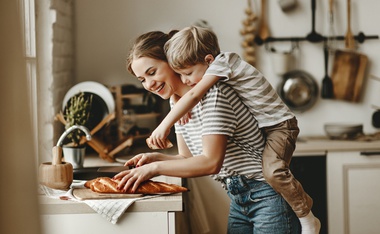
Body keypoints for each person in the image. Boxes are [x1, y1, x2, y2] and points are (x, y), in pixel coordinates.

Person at [115, 30, 301, 233]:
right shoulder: (176, 103)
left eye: (152, 72)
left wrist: (154, 169)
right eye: (142, 79)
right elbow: (186, 157)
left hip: (267, 196)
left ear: (171, 61)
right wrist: (154, 158)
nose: (149, 85)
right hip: (239, 199)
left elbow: (211, 162)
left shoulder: (214, 94)